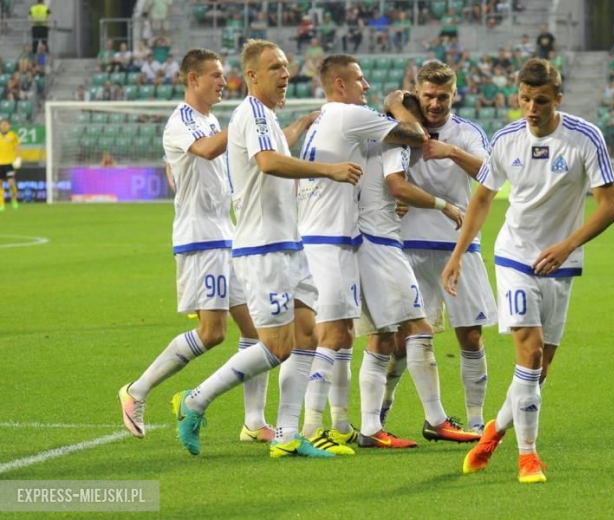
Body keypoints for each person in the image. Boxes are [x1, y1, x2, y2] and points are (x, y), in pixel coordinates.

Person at [171, 39, 362, 458]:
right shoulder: (252, 112)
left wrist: (305, 125)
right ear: (252, 76)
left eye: (287, 67)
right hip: (262, 247)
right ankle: (195, 399)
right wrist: (328, 170)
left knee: (307, 334)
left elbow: (277, 152)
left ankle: (287, 434)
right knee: (277, 346)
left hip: (289, 243)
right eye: (275, 67)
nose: (285, 74)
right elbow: (269, 162)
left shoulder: (267, 117)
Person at [445, 58, 614, 484]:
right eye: (524, 99)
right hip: (515, 255)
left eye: (540, 100)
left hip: (561, 262)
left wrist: (566, 246)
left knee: (537, 374)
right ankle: (528, 457)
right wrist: (457, 253)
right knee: (531, 352)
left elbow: (609, 207)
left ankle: (494, 432)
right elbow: (483, 198)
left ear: (557, 99)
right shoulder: (505, 139)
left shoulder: (584, 138)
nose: (531, 108)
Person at [118, 48, 272, 443]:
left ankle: (254, 422)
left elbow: (189, 166)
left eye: (224, 75)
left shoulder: (209, 118)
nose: (224, 82)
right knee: (212, 333)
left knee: (257, 329)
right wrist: (243, 121)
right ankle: (137, 389)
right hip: (201, 238)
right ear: (193, 79)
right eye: (216, 76)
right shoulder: (181, 122)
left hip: (227, 234)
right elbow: (204, 150)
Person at [295, 54, 426, 452]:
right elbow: (416, 135)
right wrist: (399, 104)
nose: (365, 87)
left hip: (331, 237)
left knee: (345, 333)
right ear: (340, 84)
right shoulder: (348, 115)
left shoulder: (326, 121)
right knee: (333, 334)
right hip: (327, 240)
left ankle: (340, 424)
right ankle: (310, 427)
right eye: (360, 80)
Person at [356, 93, 480, 448]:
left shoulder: (366, 138)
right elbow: (397, 185)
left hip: (364, 240)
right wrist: (444, 205)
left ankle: (368, 427)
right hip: (382, 245)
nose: (424, 121)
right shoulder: (397, 137)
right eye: (417, 115)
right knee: (419, 326)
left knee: (381, 335)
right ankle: (436, 420)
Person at [382, 61, 499, 435]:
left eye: (442, 96)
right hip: (408, 244)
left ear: (454, 94)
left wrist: (451, 152)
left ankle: (477, 420)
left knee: (471, 334)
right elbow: (381, 174)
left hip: (458, 245)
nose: (435, 103)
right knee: (402, 339)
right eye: (428, 95)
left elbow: (491, 174)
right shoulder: (399, 129)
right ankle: (380, 413)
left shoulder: (465, 132)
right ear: (417, 91)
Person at [0, 118, 20, 211]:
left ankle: (14, 200)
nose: (4, 126)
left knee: (11, 182)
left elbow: (17, 148)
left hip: (9, 163)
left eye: (6, 124)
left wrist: (18, 158)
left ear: (9, 126)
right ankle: (1, 204)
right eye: (2, 124)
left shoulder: (13, 135)